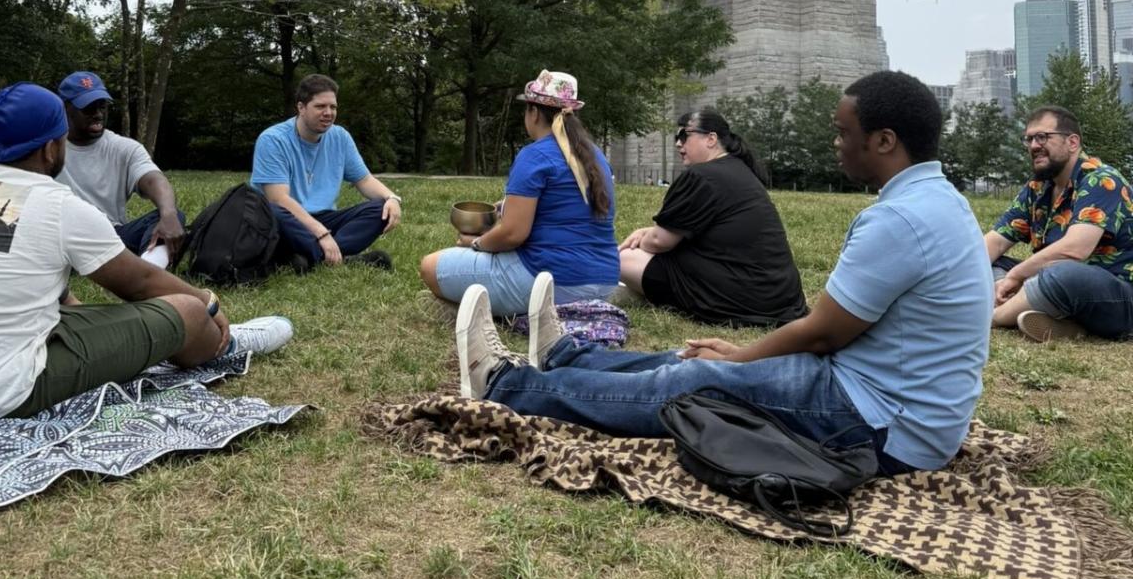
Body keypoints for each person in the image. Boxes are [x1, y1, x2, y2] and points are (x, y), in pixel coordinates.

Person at [455, 70, 993, 477]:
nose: (836, 142)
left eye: (842, 131)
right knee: (689, 359)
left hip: (881, 424)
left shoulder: (900, 218)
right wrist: (738, 358)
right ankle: (569, 356)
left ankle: (508, 384)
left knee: (692, 383)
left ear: (884, 140)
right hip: (889, 402)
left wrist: (740, 357)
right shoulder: (938, 200)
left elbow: (824, 331)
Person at [0, 83, 292, 423]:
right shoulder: (56, 203)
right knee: (186, 307)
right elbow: (140, 284)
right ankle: (224, 345)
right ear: (50, 149)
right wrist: (208, 302)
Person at [419, 69, 619, 317]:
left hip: (550, 283)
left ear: (533, 112)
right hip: (604, 282)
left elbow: (513, 234)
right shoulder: (596, 156)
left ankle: (482, 310)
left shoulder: (535, 155)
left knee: (430, 266)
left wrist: (476, 244)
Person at [618, 107, 807, 326]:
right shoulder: (741, 170)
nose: (678, 144)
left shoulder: (701, 176)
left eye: (684, 136)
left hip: (742, 301)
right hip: (779, 298)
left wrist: (643, 239)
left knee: (622, 258)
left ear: (711, 139)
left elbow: (660, 242)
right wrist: (647, 232)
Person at [984, 105, 1133, 342]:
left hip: (1119, 294)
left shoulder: (1102, 180)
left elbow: (1074, 250)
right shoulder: (1038, 188)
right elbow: (994, 242)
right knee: (988, 261)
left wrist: (1015, 276)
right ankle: (1062, 322)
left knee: (1063, 273)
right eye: (1029, 139)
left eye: (1042, 137)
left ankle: (991, 317)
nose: (1034, 146)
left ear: (1072, 143)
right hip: (1058, 286)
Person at [250, 74, 400, 269]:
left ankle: (313, 258)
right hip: (286, 220)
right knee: (272, 210)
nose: (328, 112)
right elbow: (278, 199)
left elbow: (364, 180)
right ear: (301, 108)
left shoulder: (340, 137)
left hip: (324, 217)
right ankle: (332, 257)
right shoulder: (273, 140)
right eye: (320, 106)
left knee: (380, 209)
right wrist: (321, 233)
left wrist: (392, 198)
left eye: (333, 107)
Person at [57, 71, 186, 267]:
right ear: (65, 108)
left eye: (102, 106)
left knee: (172, 215)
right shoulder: (47, 147)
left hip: (109, 237)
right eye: (88, 108)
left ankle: (150, 269)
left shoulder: (124, 148)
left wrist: (168, 214)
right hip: (60, 237)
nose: (98, 114)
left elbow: (153, 179)